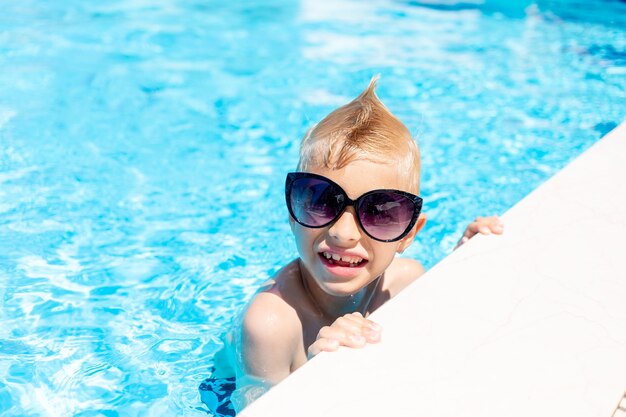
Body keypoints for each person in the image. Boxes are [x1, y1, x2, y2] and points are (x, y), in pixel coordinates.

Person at [211, 76, 503, 413]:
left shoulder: (407, 282)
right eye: (320, 201)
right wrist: (316, 378)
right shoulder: (269, 324)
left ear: (409, 233)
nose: (344, 233)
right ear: (292, 213)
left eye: (381, 211)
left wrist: (461, 266)